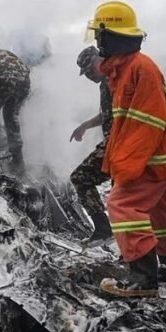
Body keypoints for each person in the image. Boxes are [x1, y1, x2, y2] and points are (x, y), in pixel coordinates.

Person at [83, 1, 166, 298]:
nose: (96, 41)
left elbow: (147, 123)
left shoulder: (138, 69)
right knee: (158, 215)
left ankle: (143, 280)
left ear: (111, 35)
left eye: (99, 34)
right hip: (158, 161)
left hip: (149, 162)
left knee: (123, 206)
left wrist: (126, 168)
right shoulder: (129, 67)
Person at [69, 45, 113, 242]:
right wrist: (85, 126)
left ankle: (104, 230)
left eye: (88, 70)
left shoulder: (114, 79)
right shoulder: (105, 83)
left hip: (120, 144)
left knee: (80, 177)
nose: (88, 76)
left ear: (98, 60)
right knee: (123, 194)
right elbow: (107, 114)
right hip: (117, 143)